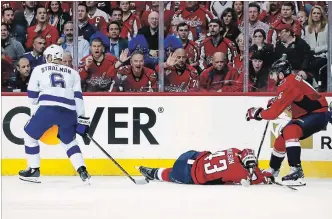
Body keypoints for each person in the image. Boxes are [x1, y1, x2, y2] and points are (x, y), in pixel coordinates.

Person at [246, 56, 331, 186]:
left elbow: (273, 113)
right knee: (281, 139)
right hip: (308, 114)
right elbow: (290, 99)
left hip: (318, 114)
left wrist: (257, 114)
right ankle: (272, 171)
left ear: (281, 74)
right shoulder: (290, 80)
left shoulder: (288, 84)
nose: (272, 77)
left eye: (273, 74)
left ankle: (296, 172)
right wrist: (274, 102)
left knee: (290, 130)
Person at [19, 44, 91, 183]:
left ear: (50, 57)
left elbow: (32, 97)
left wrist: (39, 99)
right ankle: (83, 170)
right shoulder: (73, 73)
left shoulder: (39, 69)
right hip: (69, 112)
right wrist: (81, 118)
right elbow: (78, 97)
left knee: (29, 136)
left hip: (48, 109)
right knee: (69, 141)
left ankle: (34, 170)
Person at [137, 148, 274, 185]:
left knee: (173, 170)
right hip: (189, 174)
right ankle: (153, 173)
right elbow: (257, 178)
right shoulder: (239, 172)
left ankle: (152, 170)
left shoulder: (234, 150)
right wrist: (267, 176)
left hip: (191, 156)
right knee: (170, 175)